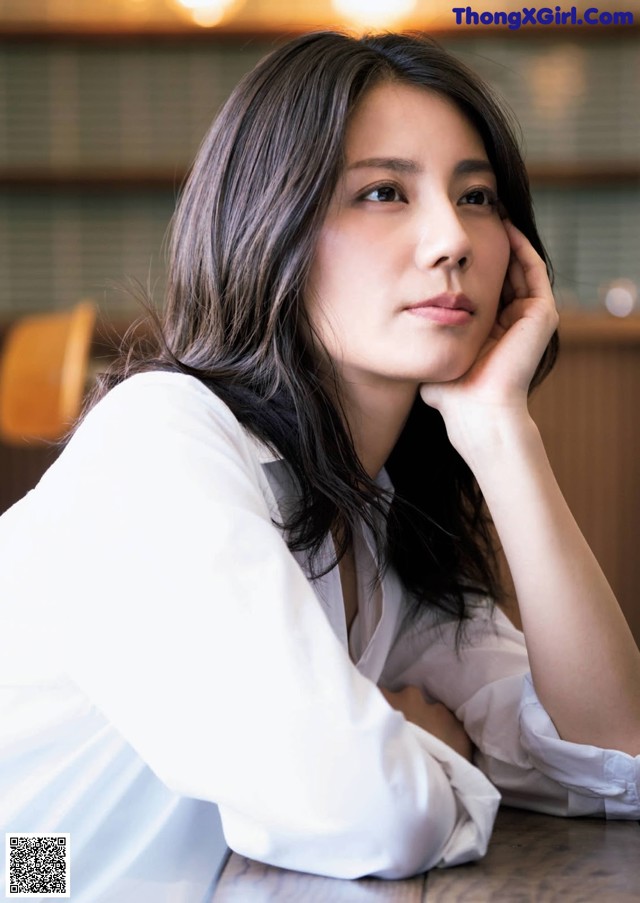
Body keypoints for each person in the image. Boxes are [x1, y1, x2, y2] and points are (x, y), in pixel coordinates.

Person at [1, 29, 639, 903]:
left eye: (478, 195)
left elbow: (615, 762)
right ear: (272, 225)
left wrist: (501, 430)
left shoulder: (372, 518)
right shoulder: (160, 441)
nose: (451, 238)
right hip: (37, 872)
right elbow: (369, 812)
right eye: (383, 192)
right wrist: (431, 740)